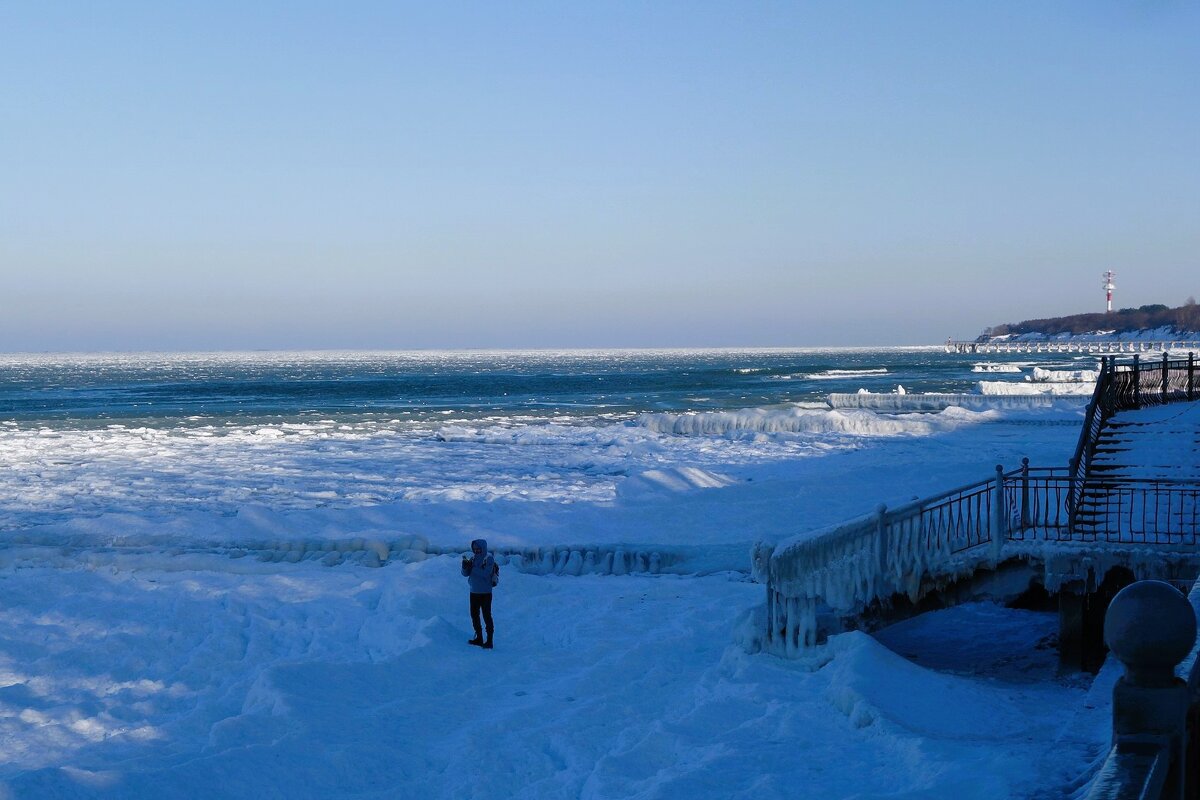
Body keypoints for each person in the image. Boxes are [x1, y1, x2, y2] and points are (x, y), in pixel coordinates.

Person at [461, 538, 497, 649]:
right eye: (475, 549)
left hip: (485, 592)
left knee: (486, 616)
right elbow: (465, 574)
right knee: (474, 615)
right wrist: (465, 567)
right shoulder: (473, 559)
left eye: (478, 549)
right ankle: (479, 638)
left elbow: (485, 573)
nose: (476, 551)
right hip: (474, 591)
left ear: (483, 548)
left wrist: (472, 568)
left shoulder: (489, 559)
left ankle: (489, 641)